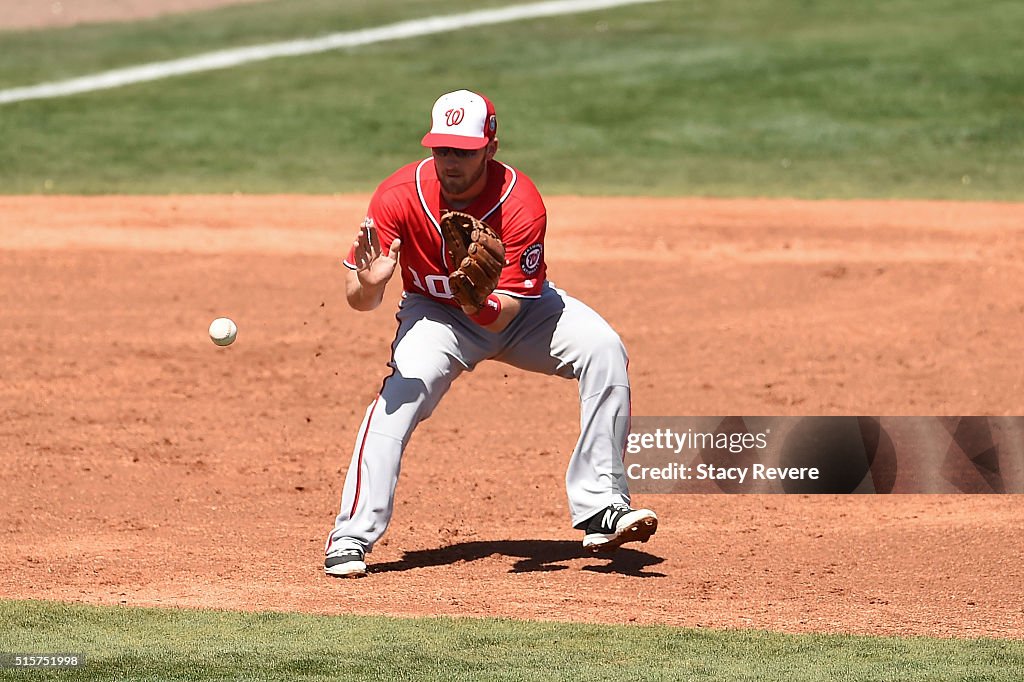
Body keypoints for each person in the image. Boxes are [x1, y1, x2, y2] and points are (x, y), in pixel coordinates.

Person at [324, 89, 657, 578]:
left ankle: (601, 506)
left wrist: (479, 300)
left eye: (464, 150)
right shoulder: (397, 196)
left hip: (518, 312)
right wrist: (370, 287)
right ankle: (351, 536)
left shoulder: (520, 201)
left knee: (603, 349)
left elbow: (505, 316)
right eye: (442, 149)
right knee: (399, 398)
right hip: (437, 317)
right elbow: (358, 296)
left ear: (491, 148)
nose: (451, 162)